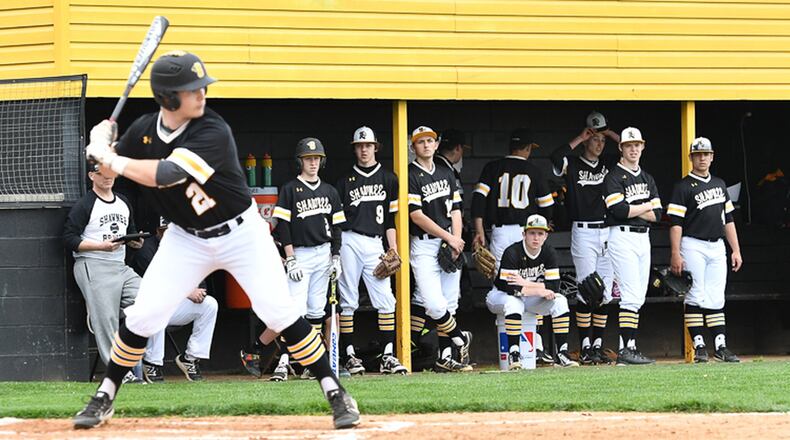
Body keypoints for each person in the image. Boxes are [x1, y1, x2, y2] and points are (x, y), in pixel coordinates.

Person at [75, 51, 359, 430]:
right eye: (193, 89)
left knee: (279, 311)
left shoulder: (213, 130)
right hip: (185, 238)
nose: (202, 94)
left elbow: (168, 173)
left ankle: (336, 392)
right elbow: (107, 160)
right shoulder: (143, 130)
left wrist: (111, 158)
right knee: (143, 314)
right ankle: (105, 395)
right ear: (168, 97)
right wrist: (99, 143)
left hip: (240, 233)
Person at [471, 128, 554, 362]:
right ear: (527, 149)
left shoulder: (492, 168)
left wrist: (479, 231)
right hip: (527, 233)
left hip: (499, 232)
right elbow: (547, 207)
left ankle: (515, 343)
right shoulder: (534, 171)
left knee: (504, 287)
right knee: (532, 283)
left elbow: (478, 201)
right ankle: (534, 344)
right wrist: (544, 229)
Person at [269, 136, 346, 381]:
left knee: (315, 310)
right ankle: (283, 361)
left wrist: (336, 257)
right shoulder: (290, 189)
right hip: (300, 253)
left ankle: (308, 363)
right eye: (308, 159)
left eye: (316, 159)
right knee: (294, 310)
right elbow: (282, 225)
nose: (312, 163)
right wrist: (289, 257)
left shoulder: (330, 191)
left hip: (323, 253)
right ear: (299, 161)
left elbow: (337, 229)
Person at [335, 126, 407, 375]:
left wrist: (394, 248)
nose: (364, 150)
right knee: (348, 299)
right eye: (359, 145)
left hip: (376, 243)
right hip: (349, 240)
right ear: (355, 149)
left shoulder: (389, 178)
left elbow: (390, 220)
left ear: (375, 147)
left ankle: (388, 355)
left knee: (385, 298)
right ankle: (349, 355)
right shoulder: (344, 181)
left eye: (368, 145)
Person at [63, 165, 144, 384]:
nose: (107, 178)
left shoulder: (123, 201)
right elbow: (69, 239)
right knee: (106, 319)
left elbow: (130, 231)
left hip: (120, 266)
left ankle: (100, 310)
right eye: (101, 173)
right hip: (94, 264)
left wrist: (136, 241)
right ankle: (119, 372)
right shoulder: (85, 204)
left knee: (147, 302)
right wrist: (100, 246)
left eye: (111, 173)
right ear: (91, 175)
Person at [550, 111, 620, 365]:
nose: (599, 144)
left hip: (608, 230)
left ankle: (598, 345)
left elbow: (629, 148)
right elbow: (555, 156)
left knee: (604, 292)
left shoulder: (610, 163)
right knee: (586, 288)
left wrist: (607, 132)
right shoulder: (573, 163)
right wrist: (581, 137)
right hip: (583, 230)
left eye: (602, 140)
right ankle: (585, 345)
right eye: (595, 139)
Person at [667, 137, 742, 363]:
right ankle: (699, 346)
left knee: (716, 296)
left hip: (717, 245)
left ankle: (720, 346)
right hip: (693, 243)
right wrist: (675, 252)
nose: (702, 158)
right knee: (695, 293)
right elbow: (675, 223)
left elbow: (728, 219)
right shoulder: (682, 186)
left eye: (706, 154)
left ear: (712, 156)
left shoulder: (719, 184)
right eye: (698, 154)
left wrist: (735, 250)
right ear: (691, 157)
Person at [407, 125, 472, 372]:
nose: (426, 145)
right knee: (434, 305)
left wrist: (456, 240)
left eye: (430, 141)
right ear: (414, 147)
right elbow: (417, 216)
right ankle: (460, 338)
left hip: (448, 243)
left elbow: (456, 209)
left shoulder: (446, 172)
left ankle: (446, 356)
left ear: (436, 145)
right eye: (421, 142)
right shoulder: (411, 174)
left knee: (450, 304)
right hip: (424, 244)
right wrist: (450, 237)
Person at [128, 218, 219, 382]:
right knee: (159, 305)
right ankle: (151, 363)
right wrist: (186, 291)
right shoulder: (147, 248)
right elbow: (154, 284)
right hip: (144, 309)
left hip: (175, 307)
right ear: (158, 231)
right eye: (165, 231)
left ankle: (190, 358)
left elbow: (201, 285)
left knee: (210, 305)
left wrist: (194, 292)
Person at [485, 214, 579, 369]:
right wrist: (540, 289)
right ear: (524, 234)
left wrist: (525, 283)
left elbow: (554, 286)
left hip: (528, 297)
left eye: (540, 233)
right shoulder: (512, 252)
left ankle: (562, 353)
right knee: (513, 303)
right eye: (532, 233)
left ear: (546, 236)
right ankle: (514, 354)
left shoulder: (549, 252)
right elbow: (509, 288)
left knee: (560, 301)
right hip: (499, 296)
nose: (536, 237)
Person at [603, 126, 662, 365]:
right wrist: (644, 207)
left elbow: (657, 214)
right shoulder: (614, 176)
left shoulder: (647, 177)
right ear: (621, 148)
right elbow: (619, 210)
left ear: (643, 146)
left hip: (642, 237)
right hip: (622, 236)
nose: (634, 149)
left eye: (637, 145)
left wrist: (636, 208)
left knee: (638, 296)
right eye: (629, 145)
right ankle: (627, 349)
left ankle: (627, 349)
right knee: (629, 294)